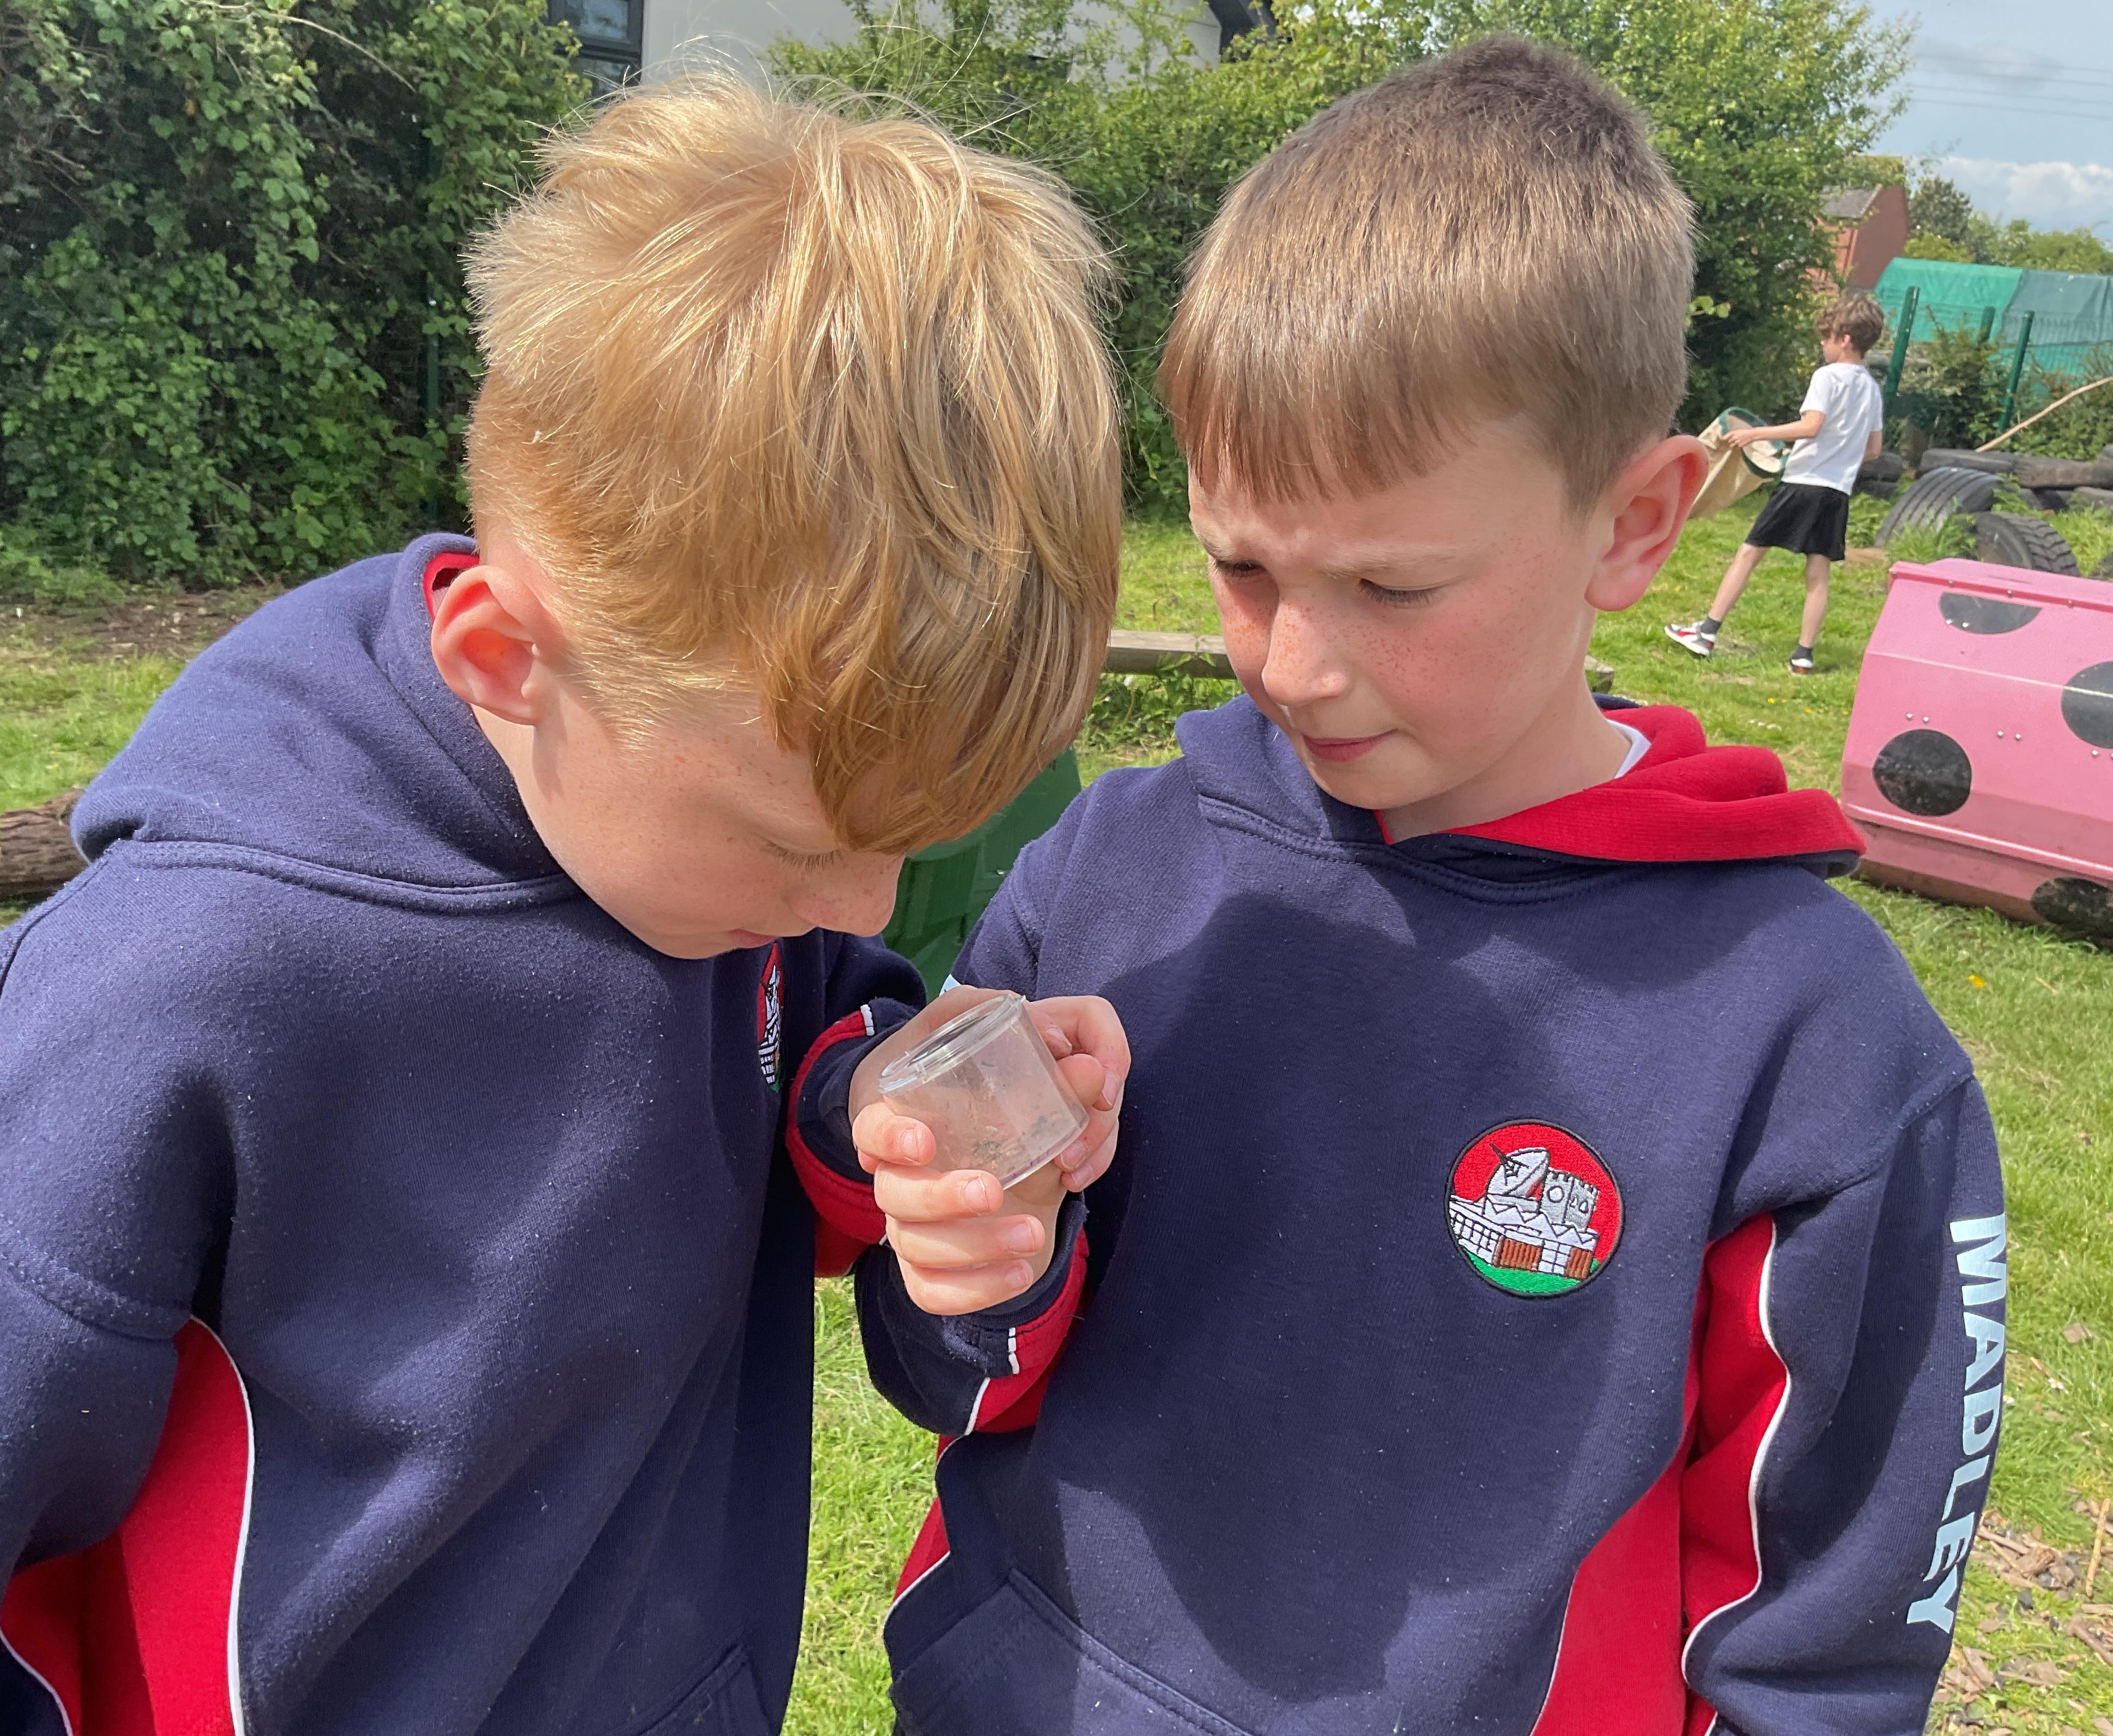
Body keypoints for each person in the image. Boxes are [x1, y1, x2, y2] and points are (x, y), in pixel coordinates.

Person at [0, 80, 1132, 1734]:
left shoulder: (701, 865)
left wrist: (910, 1141)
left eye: (910, 846)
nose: (857, 904)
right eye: (794, 853)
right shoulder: (181, 983)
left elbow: (809, 1093)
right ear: (506, 659)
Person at [792, 40, 2003, 1736]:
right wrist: (985, 1261)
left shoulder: (1813, 1046)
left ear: (1636, 523)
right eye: (1241, 565)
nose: (1294, 663)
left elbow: (1829, 1628)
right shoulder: (1107, 875)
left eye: (1394, 586)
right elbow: (951, 1375)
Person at [1666, 294, 1888, 673]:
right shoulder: (1871, 389)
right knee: (1818, 574)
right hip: (1836, 492)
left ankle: (1706, 633)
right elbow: (1873, 450)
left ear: (1846, 339)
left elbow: (1811, 426)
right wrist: (1838, 454)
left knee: (1749, 554)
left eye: (1827, 338)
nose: (1824, 345)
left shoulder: (1827, 377)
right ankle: (1803, 656)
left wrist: (1755, 434)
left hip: (1802, 483)